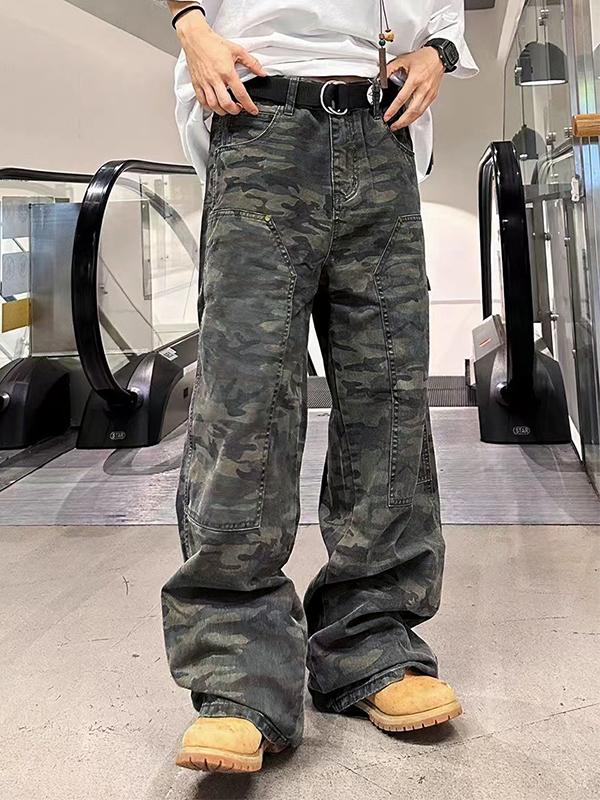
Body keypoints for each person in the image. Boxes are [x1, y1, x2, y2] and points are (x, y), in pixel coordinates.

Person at [154, 0, 478, 774]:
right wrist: (191, 26)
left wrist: (439, 51)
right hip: (258, 118)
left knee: (388, 401)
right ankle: (238, 676)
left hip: (383, 128)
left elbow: (441, 13)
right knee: (244, 406)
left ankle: (373, 643)